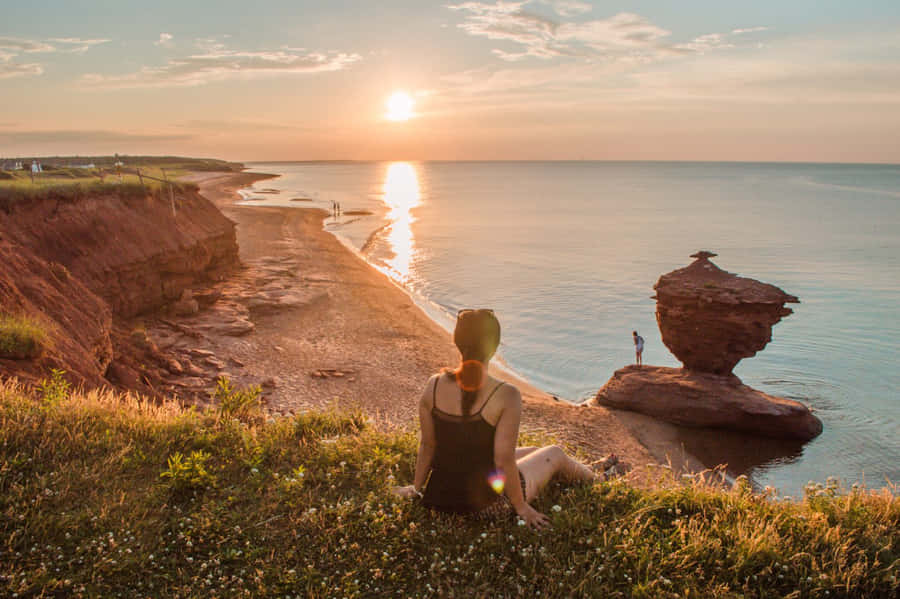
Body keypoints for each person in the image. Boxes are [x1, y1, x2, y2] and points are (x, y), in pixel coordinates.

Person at [393, 309, 615, 528]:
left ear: (457, 342)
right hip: (487, 506)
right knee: (554, 453)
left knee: (534, 451)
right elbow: (503, 460)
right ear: (494, 347)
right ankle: (602, 480)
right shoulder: (506, 394)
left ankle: (592, 467)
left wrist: (417, 487)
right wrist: (521, 507)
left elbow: (428, 445)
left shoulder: (433, 384)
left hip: (440, 500)